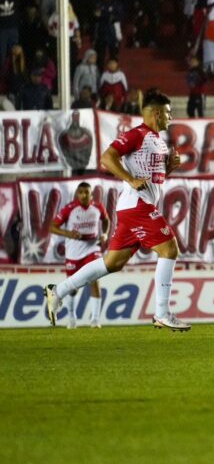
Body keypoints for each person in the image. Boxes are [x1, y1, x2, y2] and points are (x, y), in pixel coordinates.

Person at [45, 89, 191, 332]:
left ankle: (57, 291)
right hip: (137, 206)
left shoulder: (157, 141)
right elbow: (107, 157)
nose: (170, 117)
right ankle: (162, 313)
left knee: (110, 263)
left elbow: (154, 179)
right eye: (167, 113)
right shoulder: (137, 135)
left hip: (135, 207)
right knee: (169, 248)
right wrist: (130, 180)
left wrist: (170, 168)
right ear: (155, 113)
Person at [50, 182, 110, 329]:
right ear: (77, 194)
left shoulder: (98, 207)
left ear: (91, 194)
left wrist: (105, 234)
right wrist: (68, 233)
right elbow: (52, 227)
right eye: (81, 192)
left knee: (95, 282)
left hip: (92, 249)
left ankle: (95, 321)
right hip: (73, 252)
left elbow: (106, 220)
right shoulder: (69, 209)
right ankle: (72, 318)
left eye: (86, 192)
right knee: (73, 288)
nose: (84, 195)